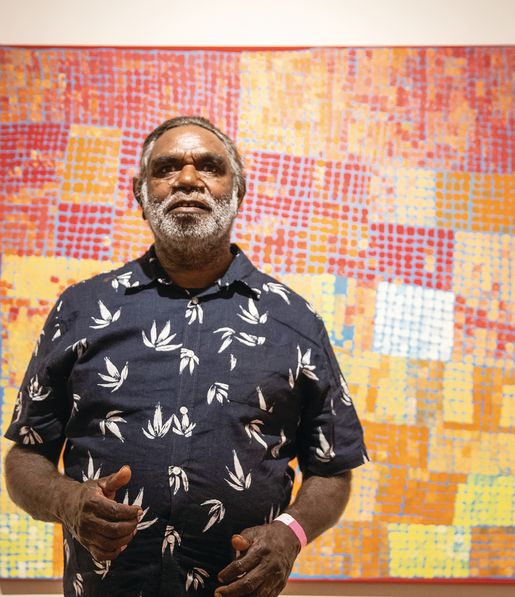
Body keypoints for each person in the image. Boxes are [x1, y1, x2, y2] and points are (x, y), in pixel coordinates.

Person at [4, 116, 368, 597]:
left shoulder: (296, 322)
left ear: (238, 192)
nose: (188, 179)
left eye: (210, 167)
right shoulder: (81, 309)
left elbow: (332, 466)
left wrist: (290, 534)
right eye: (167, 168)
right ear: (141, 195)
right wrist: (68, 502)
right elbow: (26, 455)